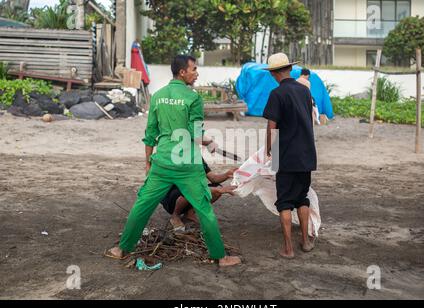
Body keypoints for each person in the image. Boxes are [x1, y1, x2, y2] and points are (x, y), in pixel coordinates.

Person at [105, 55, 241, 267]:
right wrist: (208, 141)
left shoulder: (158, 96)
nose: (197, 73)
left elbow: (150, 133)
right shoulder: (192, 98)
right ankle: (220, 257)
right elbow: (194, 132)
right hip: (187, 163)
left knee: (142, 205)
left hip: (163, 161)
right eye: (194, 69)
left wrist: (148, 162)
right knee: (204, 209)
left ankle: (121, 249)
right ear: (182, 72)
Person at [263, 53, 317, 258]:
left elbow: (271, 126)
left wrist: (269, 149)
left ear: (274, 73)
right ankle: (304, 241)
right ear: (289, 69)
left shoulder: (277, 94)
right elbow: (309, 121)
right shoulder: (304, 91)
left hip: (284, 154)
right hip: (306, 153)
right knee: (302, 197)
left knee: (284, 201)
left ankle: (288, 248)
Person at [161, 158, 237, 231]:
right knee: (193, 188)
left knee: (217, 189)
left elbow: (213, 178)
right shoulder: (175, 155)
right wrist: (215, 190)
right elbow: (187, 186)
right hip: (171, 199)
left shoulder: (196, 156)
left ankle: (190, 213)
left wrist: (227, 174)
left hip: (189, 191)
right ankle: (175, 215)